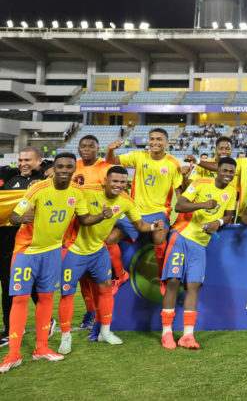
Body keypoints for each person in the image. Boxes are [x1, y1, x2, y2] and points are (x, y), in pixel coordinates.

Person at [1, 153, 108, 373]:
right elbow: (13, 217)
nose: (64, 170)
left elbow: (84, 219)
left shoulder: (77, 193)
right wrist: (22, 219)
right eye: (60, 166)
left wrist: (101, 216)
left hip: (52, 252)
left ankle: (41, 348)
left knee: (47, 297)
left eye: (69, 167)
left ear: (73, 170)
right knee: (20, 299)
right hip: (26, 251)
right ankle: (14, 353)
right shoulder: (38, 189)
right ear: (54, 168)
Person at [58, 166, 163, 354]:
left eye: (122, 182)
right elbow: (64, 192)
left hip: (99, 250)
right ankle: (65, 337)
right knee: (67, 292)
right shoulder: (87, 191)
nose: (118, 185)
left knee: (106, 286)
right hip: (74, 249)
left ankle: (105, 332)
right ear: (105, 181)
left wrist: (155, 226)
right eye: (115, 181)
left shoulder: (125, 201)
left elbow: (139, 225)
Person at [160, 157, 238, 349]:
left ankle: (188, 335)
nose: (228, 175)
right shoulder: (201, 183)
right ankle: (166, 332)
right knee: (173, 281)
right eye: (225, 171)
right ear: (217, 170)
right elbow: (180, 205)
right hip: (182, 236)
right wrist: (203, 205)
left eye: (231, 172)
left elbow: (228, 216)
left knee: (194, 285)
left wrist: (217, 223)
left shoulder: (231, 190)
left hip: (200, 244)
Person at [106, 128, 183, 277]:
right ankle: (120, 276)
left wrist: (180, 219)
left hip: (159, 211)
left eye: (159, 139)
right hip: (135, 212)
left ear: (167, 142)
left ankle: (162, 276)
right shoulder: (139, 156)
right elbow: (111, 161)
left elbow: (179, 194)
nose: (155, 142)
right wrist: (110, 150)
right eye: (152, 139)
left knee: (160, 237)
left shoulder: (173, 164)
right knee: (109, 239)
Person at [0, 146, 52, 348]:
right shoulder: (11, 177)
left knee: (30, 286)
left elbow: (62, 171)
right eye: (20, 160)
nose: (23, 164)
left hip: (31, 243)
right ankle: (9, 329)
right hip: (5, 243)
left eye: (28, 160)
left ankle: (46, 322)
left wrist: (51, 169)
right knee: (8, 286)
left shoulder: (46, 181)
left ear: (40, 161)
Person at [71, 134, 121, 330]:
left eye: (91, 147)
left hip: (99, 226)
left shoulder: (106, 169)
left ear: (97, 149)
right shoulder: (72, 167)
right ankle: (90, 311)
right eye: (83, 146)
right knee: (82, 274)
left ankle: (102, 312)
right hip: (75, 225)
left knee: (96, 275)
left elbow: (120, 194)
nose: (86, 150)